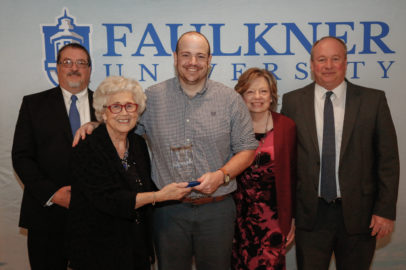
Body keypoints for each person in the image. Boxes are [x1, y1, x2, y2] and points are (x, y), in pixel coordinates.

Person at [74, 31, 258, 270]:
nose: (193, 62)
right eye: (186, 55)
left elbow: (247, 149)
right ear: (175, 57)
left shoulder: (230, 99)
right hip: (168, 212)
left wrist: (221, 176)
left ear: (209, 59)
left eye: (200, 56)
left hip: (217, 208)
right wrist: (97, 124)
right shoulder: (152, 97)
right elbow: (125, 125)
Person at [281, 36, 400, 269]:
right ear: (312, 64)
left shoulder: (372, 100)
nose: (328, 66)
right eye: (321, 59)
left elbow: (388, 161)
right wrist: (288, 214)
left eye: (335, 59)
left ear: (346, 62)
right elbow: (288, 163)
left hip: (360, 215)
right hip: (310, 215)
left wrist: (384, 211)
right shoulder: (293, 101)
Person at [67, 76, 191, 270]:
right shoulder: (87, 147)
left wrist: (182, 187)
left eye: (130, 106)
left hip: (135, 249)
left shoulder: (138, 144)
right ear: (103, 113)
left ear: (138, 111)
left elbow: (143, 187)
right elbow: (109, 199)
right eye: (115, 106)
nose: (124, 113)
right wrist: (159, 196)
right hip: (98, 251)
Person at [12, 43, 95, 270]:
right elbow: (21, 157)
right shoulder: (33, 105)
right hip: (46, 215)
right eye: (67, 62)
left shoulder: (108, 107)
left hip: (97, 218)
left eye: (81, 63)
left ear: (90, 69)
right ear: (57, 68)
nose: (74, 68)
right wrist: (52, 193)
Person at [231, 68, 296, 270]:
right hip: (236, 220)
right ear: (241, 96)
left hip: (273, 220)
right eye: (250, 92)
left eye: (263, 91)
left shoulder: (286, 127)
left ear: (272, 95)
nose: (257, 97)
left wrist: (291, 218)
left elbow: (294, 176)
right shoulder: (230, 127)